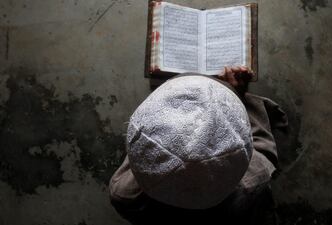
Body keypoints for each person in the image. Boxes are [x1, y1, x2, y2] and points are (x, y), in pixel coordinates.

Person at [109, 66, 288, 225]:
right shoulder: (251, 181)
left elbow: (139, 148)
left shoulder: (125, 196)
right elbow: (264, 149)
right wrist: (237, 93)